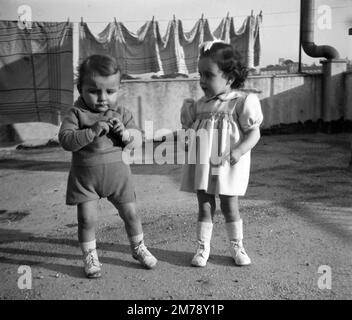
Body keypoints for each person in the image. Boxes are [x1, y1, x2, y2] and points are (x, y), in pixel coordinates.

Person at [59, 54, 157, 278]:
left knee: (131, 214)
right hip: (86, 182)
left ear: (119, 90)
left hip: (118, 179)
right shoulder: (77, 114)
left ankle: (138, 247)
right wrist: (92, 131)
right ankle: (90, 256)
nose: (103, 98)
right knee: (86, 220)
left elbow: (138, 140)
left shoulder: (122, 113)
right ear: (80, 88)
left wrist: (125, 133)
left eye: (110, 91)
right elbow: (66, 140)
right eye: (94, 91)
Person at [180, 41, 263, 267]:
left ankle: (237, 245)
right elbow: (191, 130)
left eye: (209, 75)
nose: (202, 81)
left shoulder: (241, 102)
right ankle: (202, 247)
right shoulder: (198, 105)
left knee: (229, 206)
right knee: (204, 205)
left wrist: (240, 150)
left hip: (227, 164)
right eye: (200, 75)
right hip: (204, 164)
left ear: (229, 77)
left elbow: (254, 133)